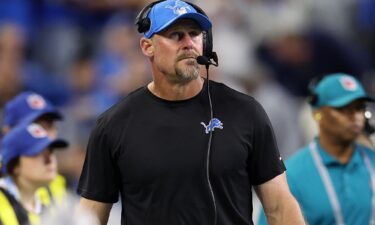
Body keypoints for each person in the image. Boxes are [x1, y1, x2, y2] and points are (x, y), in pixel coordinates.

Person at [77, 0, 305, 225]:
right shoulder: (114, 124)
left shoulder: (245, 112)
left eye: (194, 34)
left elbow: (279, 206)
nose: (188, 43)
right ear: (148, 47)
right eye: (176, 35)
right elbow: (91, 216)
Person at [257, 73, 375, 225]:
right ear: (317, 113)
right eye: (343, 109)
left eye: (359, 108)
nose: (355, 116)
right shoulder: (292, 175)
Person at [1, 91, 68, 206]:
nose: (44, 135)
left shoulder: (56, 181)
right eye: (35, 127)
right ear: (8, 131)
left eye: (50, 126)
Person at [0, 123, 68, 225]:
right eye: (37, 153)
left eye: (50, 151)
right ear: (14, 166)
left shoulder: (46, 205)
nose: (49, 160)